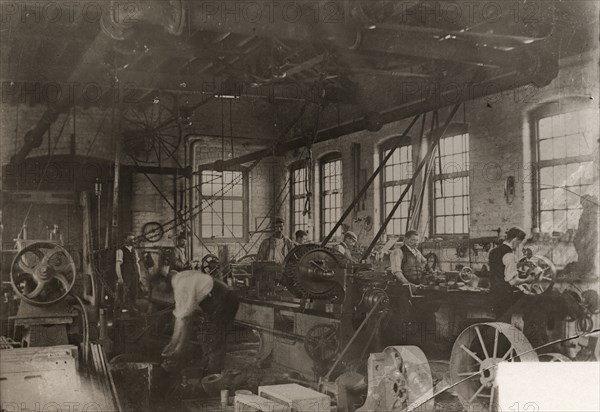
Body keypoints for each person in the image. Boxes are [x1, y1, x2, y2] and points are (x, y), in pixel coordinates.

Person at [161, 270, 239, 374]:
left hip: (225, 300)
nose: (158, 290)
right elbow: (180, 318)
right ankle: (207, 371)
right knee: (207, 339)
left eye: (157, 286)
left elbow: (186, 320)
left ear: (162, 281)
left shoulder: (181, 285)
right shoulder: (178, 281)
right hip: (218, 302)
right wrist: (172, 343)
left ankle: (212, 378)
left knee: (214, 341)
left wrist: (179, 348)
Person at [489, 226, 534, 320]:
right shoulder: (510, 255)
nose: (518, 246)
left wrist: (522, 263)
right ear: (515, 239)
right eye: (519, 243)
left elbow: (501, 266)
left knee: (498, 323)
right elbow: (513, 282)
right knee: (505, 325)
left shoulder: (493, 252)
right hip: (504, 296)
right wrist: (527, 280)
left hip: (494, 294)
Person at [115, 232, 142, 313]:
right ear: (125, 240)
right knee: (124, 292)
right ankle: (122, 310)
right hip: (126, 275)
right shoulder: (120, 250)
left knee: (134, 291)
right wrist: (119, 277)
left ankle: (132, 309)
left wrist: (139, 275)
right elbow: (118, 265)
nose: (132, 241)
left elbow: (137, 264)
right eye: (130, 239)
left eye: (133, 239)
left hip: (134, 274)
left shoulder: (134, 251)